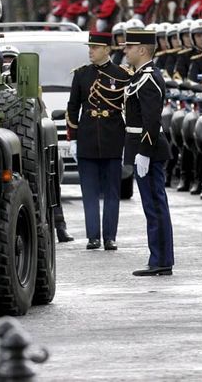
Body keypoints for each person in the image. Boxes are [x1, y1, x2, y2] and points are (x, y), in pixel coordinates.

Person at [66, 32, 129, 250]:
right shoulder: (82, 74)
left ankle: (110, 236)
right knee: (89, 192)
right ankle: (93, 236)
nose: (90, 51)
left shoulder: (122, 74)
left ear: (107, 50)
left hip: (113, 138)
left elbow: (129, 109)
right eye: (89, 47)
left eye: (95, 47)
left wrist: (127, 144)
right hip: (87, 138)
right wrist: (73, 138)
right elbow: (73, 108)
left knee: (112, 192)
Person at [122, 29, 174, 276]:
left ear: (142, 49)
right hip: (142, 148)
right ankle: (160, 258)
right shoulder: (140, 76)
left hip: (149, 149)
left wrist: (143, 152)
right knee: (151, 205)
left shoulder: (149, 78)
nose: (125, 50)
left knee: (155, 205)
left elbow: (151, 120)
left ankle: (161, 260)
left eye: (129, 47)